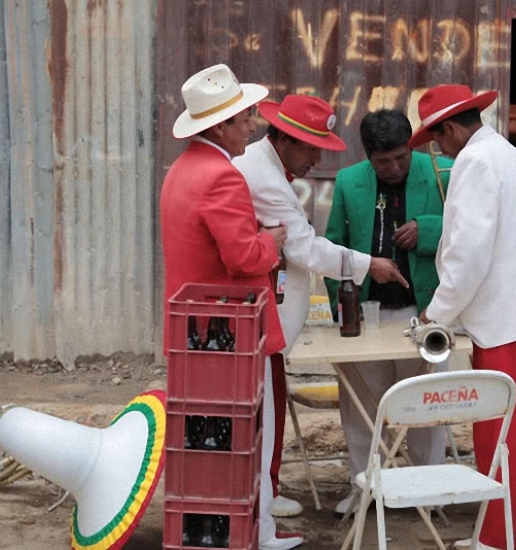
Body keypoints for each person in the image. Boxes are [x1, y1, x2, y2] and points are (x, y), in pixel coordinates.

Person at [233, 96, 409, 519]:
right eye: (312, 148)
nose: (316, 158)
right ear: (287, 139)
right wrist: (370, 265)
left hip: (270, 321)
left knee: (268, 410)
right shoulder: (264, 177)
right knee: (264, 416)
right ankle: (262, 499)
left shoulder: (269, 169)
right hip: (263, 318)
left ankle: (266, 491)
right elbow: (306, 250)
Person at [411, 84, 516, 550]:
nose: (438, 149)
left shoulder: (475, 162)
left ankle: (500, 538)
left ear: (452, 128)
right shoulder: (508, 154)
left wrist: (435, 313)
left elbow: (467, 255)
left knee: (500, 433)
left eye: (438, 139)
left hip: (502, 317)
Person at [160, 64, 302, 550]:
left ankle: (221, 531)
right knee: (248, 438)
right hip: (229, 330)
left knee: (207, 439)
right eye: (245, 119)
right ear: (220, 126)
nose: (253, 126)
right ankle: (255, 532)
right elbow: (244, 257)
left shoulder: (182, 170)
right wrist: (271, 240)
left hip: (194, 328)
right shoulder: (223, 176)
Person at [323, 109, 453, 517]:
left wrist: (428, 229)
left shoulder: (442, 171)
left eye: (401, 157)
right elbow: (333, 246)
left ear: (412, 146)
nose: (395, 168)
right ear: (368, 157)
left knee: (427, 407)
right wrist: (344, 316)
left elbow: (472, 231)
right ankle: (363, 488)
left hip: (427, 313)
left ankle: (427, 491)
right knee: (360, 407)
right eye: (384, 162)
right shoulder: (348, 181)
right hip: (367, 314)